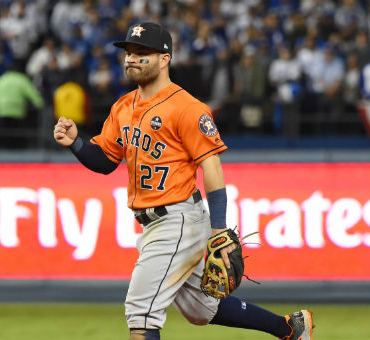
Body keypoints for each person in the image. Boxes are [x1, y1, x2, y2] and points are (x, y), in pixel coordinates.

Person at [53, 22, 314, 340]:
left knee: (140, 312)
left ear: (165, 58)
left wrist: (219, 229)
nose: (132, 59)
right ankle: (291, 328)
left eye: (142, 53)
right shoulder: (123, 107)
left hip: (178, 219)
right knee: (202, 309)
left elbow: (212, 166)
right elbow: (106, 161)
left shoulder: (187, 108)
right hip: (153, 225)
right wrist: (76, 143)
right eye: (129, 52)